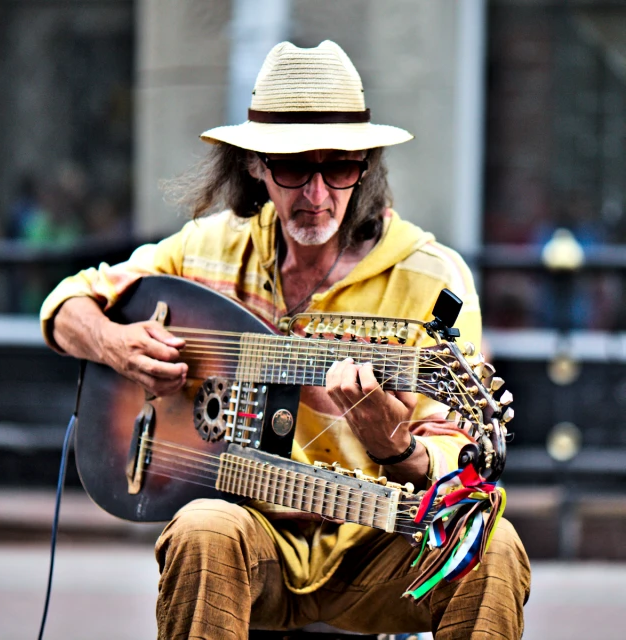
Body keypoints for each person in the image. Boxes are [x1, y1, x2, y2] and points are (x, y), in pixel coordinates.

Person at [40, 41, 530, 639]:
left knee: (493, 549)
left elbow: (456, 462)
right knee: (203, 530)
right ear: (254, 165)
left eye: (340, 167)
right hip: (254, 535)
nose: (317, 195)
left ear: (366, 165)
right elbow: (67, 303)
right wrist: (115, 344)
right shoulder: (209, 247)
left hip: (378, 542)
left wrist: (395, 447)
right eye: (294, 168)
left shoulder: (433, 279)